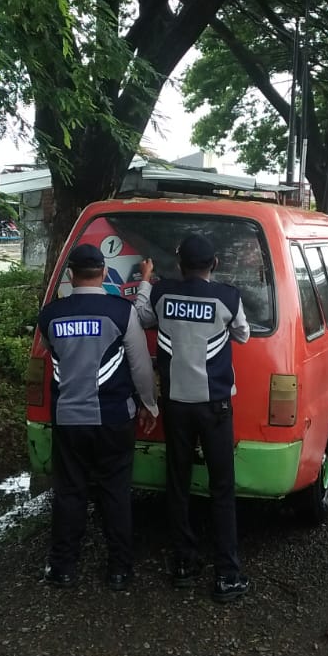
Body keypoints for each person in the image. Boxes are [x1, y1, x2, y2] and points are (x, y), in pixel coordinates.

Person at [135, 234, 251, 603]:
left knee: (178, 482)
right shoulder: (228, 297)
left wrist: (145, 280)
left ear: (179, 264)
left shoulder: (162, 293)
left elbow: (141, 317)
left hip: (176, 405)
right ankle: (227, 575)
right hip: (214, 406)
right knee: (222, 488)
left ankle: (183, 564)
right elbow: (243, 335)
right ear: (214, 264)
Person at [37, 243, 159, 592]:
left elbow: (53, 353)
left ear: (70, 275)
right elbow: (140, 366)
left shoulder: (50, 315)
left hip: (68, 419)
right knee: (115, 492)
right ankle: (119, 569)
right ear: (104, 273)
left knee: (69, 492)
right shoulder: (121, 312)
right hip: (113, 418)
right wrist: (149, 404)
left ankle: (63, 568)